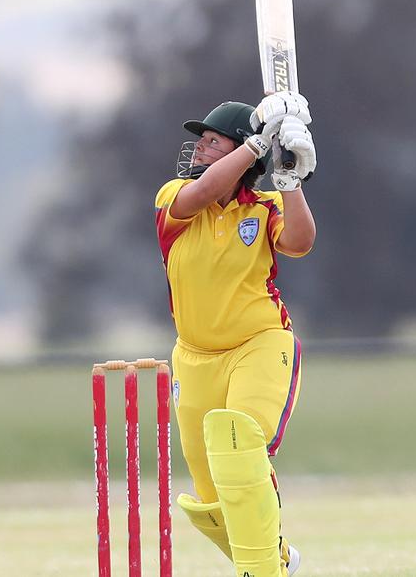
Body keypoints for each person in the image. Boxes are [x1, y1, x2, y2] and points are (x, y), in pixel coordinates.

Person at [154, 91, 316, 577]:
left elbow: (301, 242)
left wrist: (289, 178)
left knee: (237, 439)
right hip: (194, 356)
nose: (199, 149)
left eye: (211, 141)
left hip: (259, 344)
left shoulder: (263, 208)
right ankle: (278, 561)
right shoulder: (173, 199)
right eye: (200, 141)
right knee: (210, 498)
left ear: (240, 152)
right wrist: (256, 146)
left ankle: (260, 572)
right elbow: (199, 195)